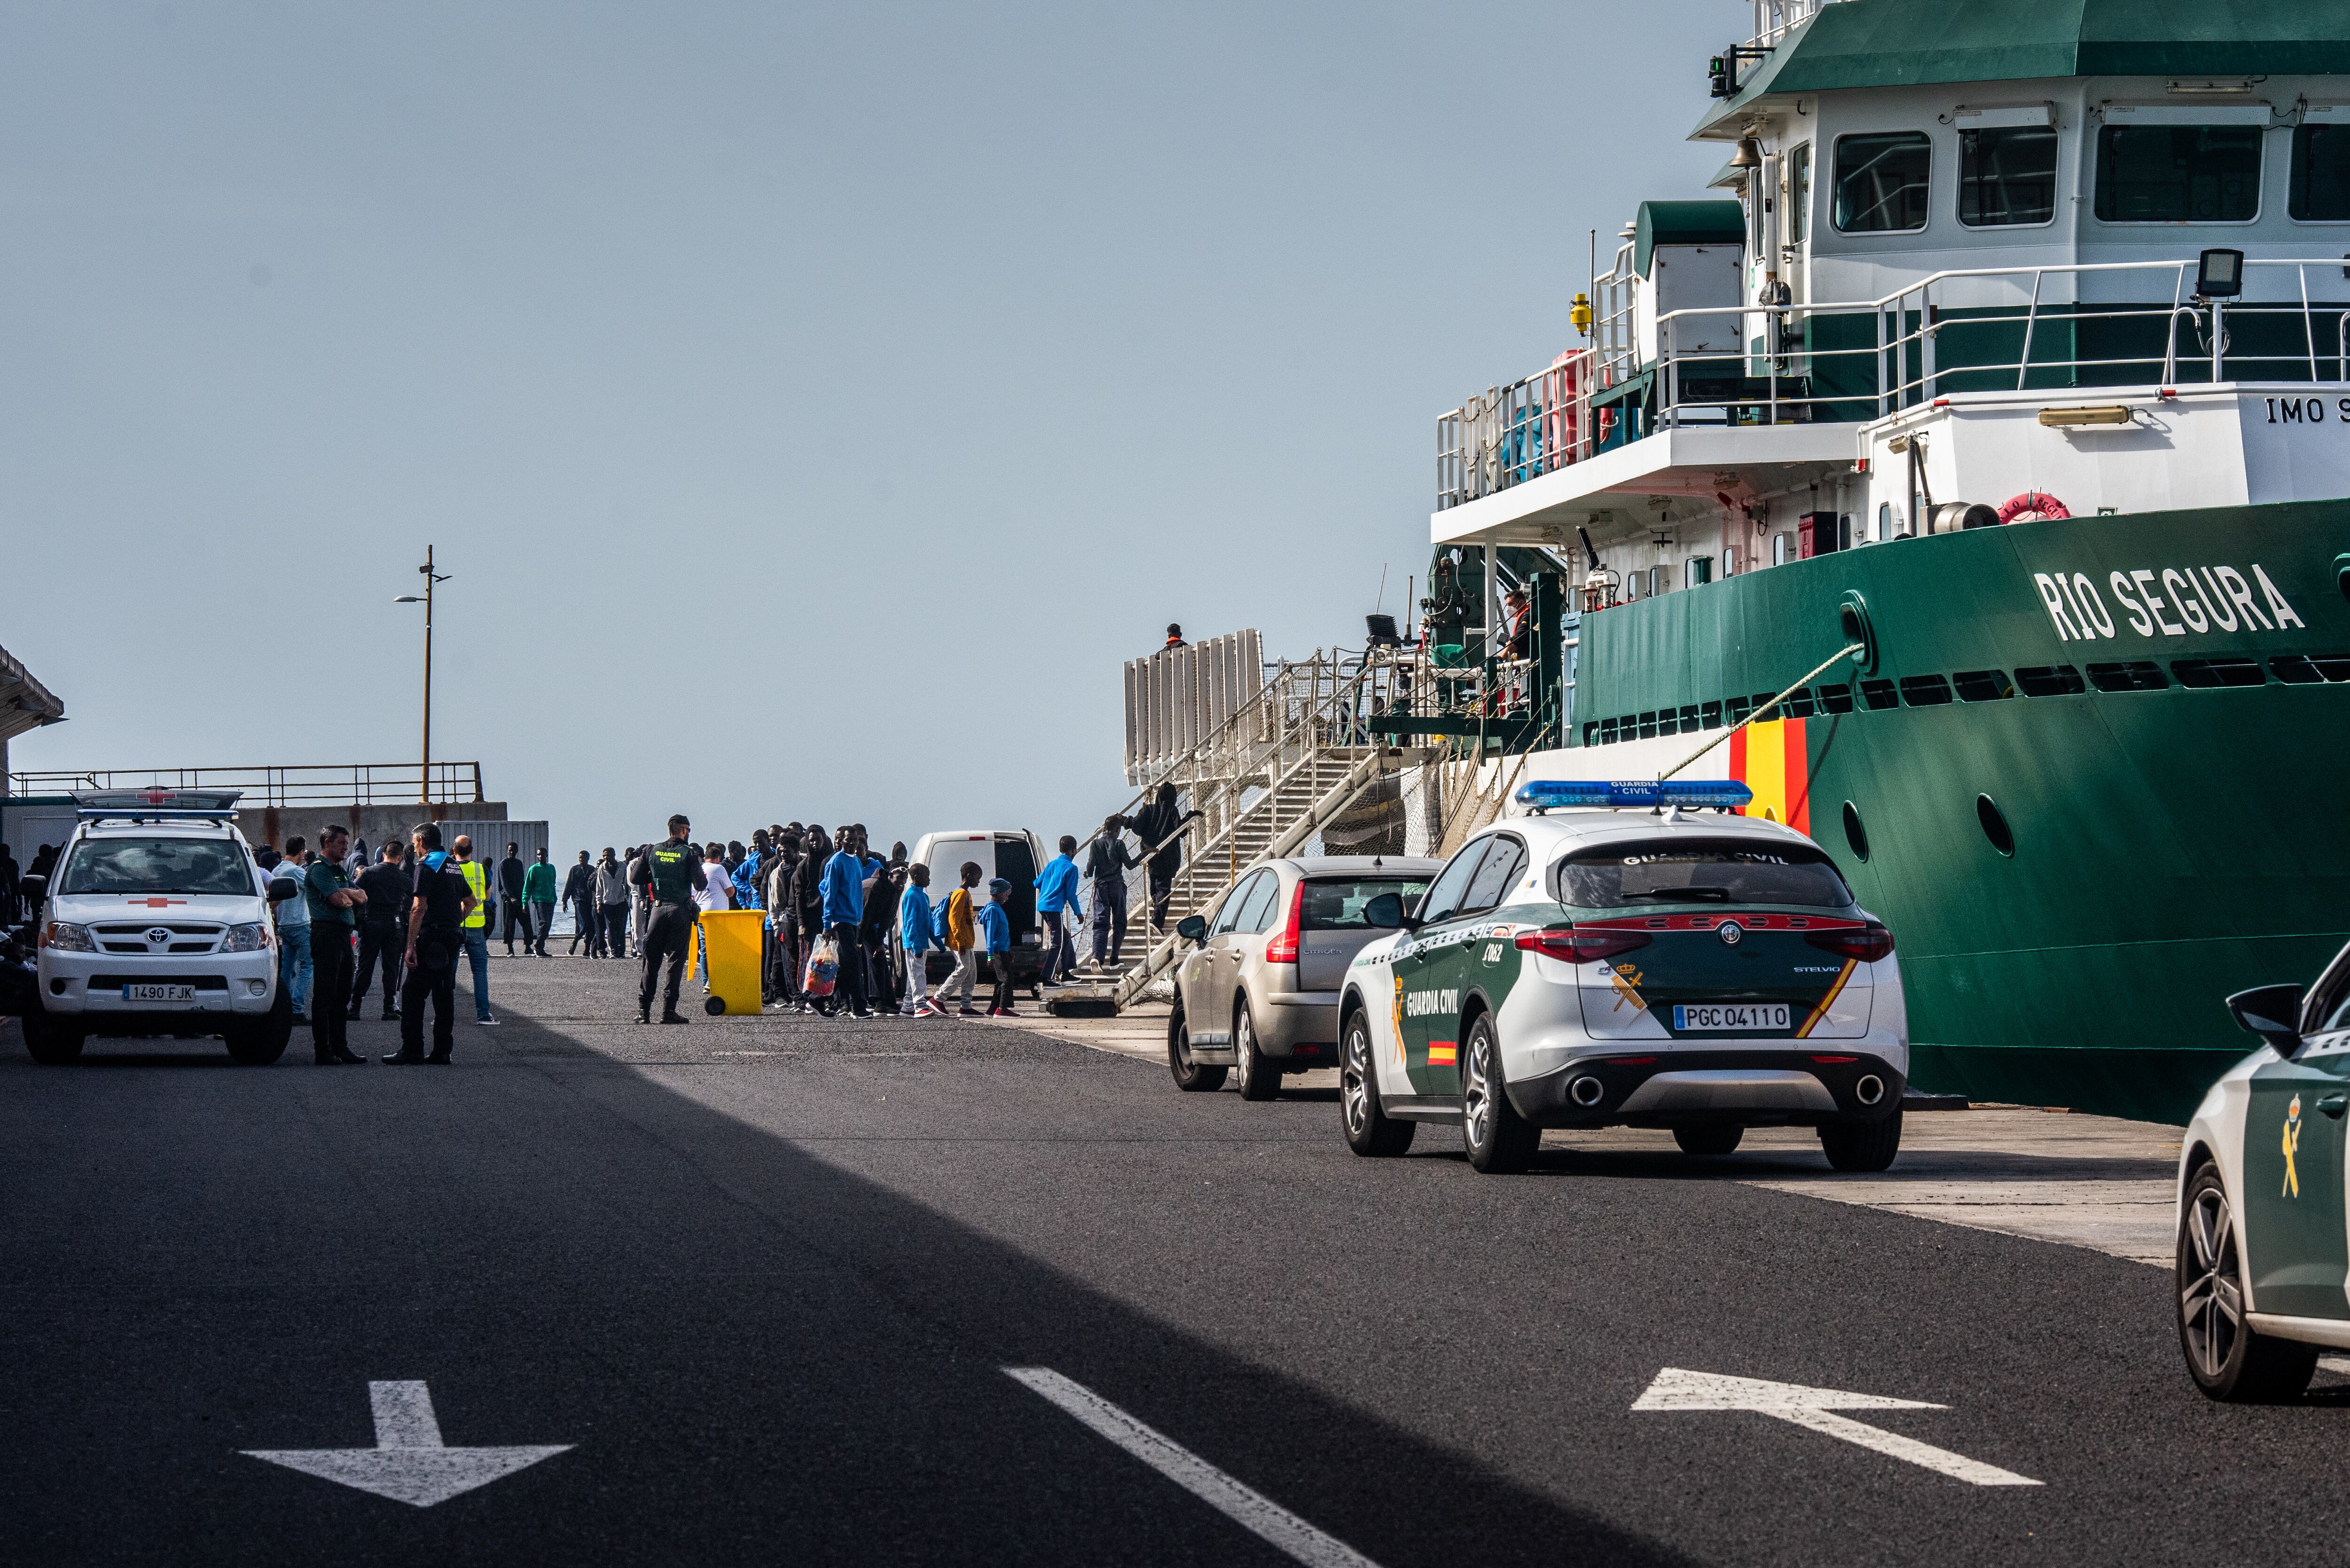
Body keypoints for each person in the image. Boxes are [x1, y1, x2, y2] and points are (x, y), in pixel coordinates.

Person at [386, 821, 475, 1064]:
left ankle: (412, 1049)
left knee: (412, 993)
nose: (414, 849)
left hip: (432, 937)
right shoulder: (453, 865)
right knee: (443, 993)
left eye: (415, 843)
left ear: (422, 842)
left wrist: (411, 945)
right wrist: (454, 921)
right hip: (452, 937)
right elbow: (472, 901)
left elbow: (418, 907)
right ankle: (442, 1051)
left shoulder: (426, 865)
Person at [302, 826, 370, 1065]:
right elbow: (340, 901)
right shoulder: (319, 870)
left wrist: (347, 892)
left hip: (343, 937)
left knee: (342, 995)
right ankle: (324, 1049)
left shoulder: (339, 871)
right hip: (326, 935)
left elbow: (363, 896)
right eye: (341, 843)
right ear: (328, 842)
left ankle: (341, 1047)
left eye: (347, 843)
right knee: (325, 995)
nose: (346, 848)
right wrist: (347, 894)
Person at [631, 815, 707, 1024]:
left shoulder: (651, 850)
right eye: (688, 829)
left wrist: (656, 876)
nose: (689, 833)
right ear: (683, 830)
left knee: (651, 962)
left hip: (658, 910)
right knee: (675, 961)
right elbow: (700, 885)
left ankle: (643, 1012)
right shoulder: (689, 853)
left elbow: (635, 878)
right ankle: (668, 1011)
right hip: (679, 910)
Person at [1127, 783, 1203, 935]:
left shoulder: (1148, 810)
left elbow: (1136, 826)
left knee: (1155, 889)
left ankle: (1156, 916)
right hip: (1168, 859)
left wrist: (1123, 820)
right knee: (1163, 889)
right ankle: (1157, 920)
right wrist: (1191, 815)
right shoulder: (1172, 810)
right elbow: (1180, 830)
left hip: (1151, 856)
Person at [351, 843, 412, 1022]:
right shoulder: (403, 877)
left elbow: (355, 893)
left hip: (371, 923)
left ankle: (355, 1007)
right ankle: (388, 1008)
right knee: (391, 967)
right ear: (400, 858)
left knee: (365, 966)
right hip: (394, 925)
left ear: (384, 853)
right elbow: (415, 897)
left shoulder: (368, 873)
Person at [820, 824, 874, 1019]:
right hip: (840, 921)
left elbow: (857, 893)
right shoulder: (836, 862)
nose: (852, 843)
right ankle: (858, 1007)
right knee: (852, 966)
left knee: (847, 966)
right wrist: (828, 923)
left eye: (855, 839)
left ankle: (816, 997)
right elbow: (828, 893)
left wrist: (859, 918)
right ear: (841, 841)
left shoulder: (857, 863)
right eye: (848, 839)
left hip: (853, 920)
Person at [452, 835, 498, 1025]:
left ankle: (443, 1014)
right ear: (472, 849)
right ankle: (484, 1015)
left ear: (454, 851)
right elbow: (488, 897)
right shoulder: (482, 869)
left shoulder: (450, 869)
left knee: (449, 972)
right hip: (476, 927)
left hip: (454, 926)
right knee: (479, 972)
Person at [271, 836, 314, 1024]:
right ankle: (297, 1008)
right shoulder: (296, 871)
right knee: (307, 966)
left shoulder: (277, 870)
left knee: (287, 968)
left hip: (284, 925)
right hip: (300, 924)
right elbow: (313, 887)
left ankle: (284, 1007)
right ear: (302, 851)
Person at [1084, 817, 1136, 970]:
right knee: (1119, 922)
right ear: (1117, 830)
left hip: (1101, 888)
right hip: (1117, 886)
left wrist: (1087, 874)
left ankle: (1097, 958)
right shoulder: (1119, 844)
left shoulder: (1095, 844)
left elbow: (1090, 869)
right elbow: (1131, 865)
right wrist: (1145, 854)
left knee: (1101, 923)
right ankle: (1114, 959)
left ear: (1104, 828)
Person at [791, 825, 831, 1013]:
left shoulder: (830, 862)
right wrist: (801, 923)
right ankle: (806, 996)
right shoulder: (803, 867)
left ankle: (822, 996)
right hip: (810, 919)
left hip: (828, 917)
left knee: (827, 961)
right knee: (809, 960)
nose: (815, 843)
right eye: (811, 840)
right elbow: (799, 896)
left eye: (818, 839)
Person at [1033, 835, 1083, 986]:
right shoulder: (1071, 868)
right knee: (1058, 944)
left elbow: (1037, 883)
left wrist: (1050, 888)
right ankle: (1046, 978)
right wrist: (1078, 913)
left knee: (1066, 938)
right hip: (1054, 909)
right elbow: (1071, 894)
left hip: (1043, 906)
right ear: (1073, 851)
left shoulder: (1051, 865)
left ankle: (1066, 974)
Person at [933, 862, 981, 1017]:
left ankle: (966, 1006)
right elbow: (954, 919)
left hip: (966, 941)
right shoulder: (960, 894)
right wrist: (960, 941)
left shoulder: (965, 893)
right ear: (969, 876)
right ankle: (938, 999)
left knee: (971, 972)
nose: (978, 882)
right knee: (963, 969)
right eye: (977, 878)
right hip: (960, 941)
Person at [898, 862, 937, 1016]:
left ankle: (908, 1006)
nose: (929, 880)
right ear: (915, 877)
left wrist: (937, 942)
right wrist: (915, 946)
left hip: (922, 942)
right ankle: (920, 1006)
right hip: (915, 944)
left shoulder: (924, 896)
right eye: (926, 877)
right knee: (918, 974)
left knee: (914, 973)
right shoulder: (911, 896)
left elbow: (928, 921)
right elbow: (910, 922)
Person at [693, 840, 733, 983]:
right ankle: (717, 979)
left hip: (701, 913)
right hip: (717, 914)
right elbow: (731, 891)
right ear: (718, 858)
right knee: (718, 947)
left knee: (705, 948)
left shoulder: (698, 869)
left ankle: (706, 981)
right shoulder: (719, 869)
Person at [979, 877, 1017, 1017]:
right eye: (1006, 894)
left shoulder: (997, 909)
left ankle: (992, 1010)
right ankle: (1002, 1009)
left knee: (1000, 980)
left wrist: (1008, 950)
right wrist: (990, 955)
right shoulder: (993, 910)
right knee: (1007, 979)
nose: (1007, 898)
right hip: (997, 951)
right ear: (999, 893)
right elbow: (990, 934)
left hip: (1003, 950)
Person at [595, 847, 631, 960]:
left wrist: (628, 899)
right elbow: (599, 886)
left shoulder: (622, 866)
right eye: (604, 855)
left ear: (614, 855)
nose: (606, 858)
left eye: (608, 855)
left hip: (621, 901)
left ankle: (622, 951)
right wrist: (598, 902)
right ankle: (614, 952)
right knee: (611, 928)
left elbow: (627, 883)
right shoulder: (602, 867)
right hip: (607, 902)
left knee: (621, 927)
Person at [562, 850, 598, 955]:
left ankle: (587, 949)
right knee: (583, 924)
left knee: (591, 925)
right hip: (578, 900)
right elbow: (569, 885)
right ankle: (575, 942)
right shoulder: (575, 870)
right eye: (580, 858)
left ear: (588, 858)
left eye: (584, 858)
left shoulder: (592, 869)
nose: (581, 860)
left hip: (590, 901)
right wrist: (565, 900)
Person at [523, 847, 557, 957]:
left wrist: (555, 897)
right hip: (539, 900)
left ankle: (541, 947)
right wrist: (525, 902)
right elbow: (527, 887)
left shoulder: (551, 868)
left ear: (546, 855)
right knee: (544, 922)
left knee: (548, 924)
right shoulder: (533, 869)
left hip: (550, 900)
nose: (540, 856)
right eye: (538, 855)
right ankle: (538, 947)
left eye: (542, 854)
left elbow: (553, 884)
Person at [498, 843, 527, 955]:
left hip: (520, 898)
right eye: (510, 850)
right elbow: (504, 883)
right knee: (510, 925)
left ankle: (528, 947)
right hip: (509, 900)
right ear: (507, 851)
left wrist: (523, 896)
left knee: (526, 922)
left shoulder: (519, 864)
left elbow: (521, 880)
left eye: (514, 850)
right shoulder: (503, 864)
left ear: (517, 851)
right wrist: (511, 897)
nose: (512, 852)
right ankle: (510, 949)